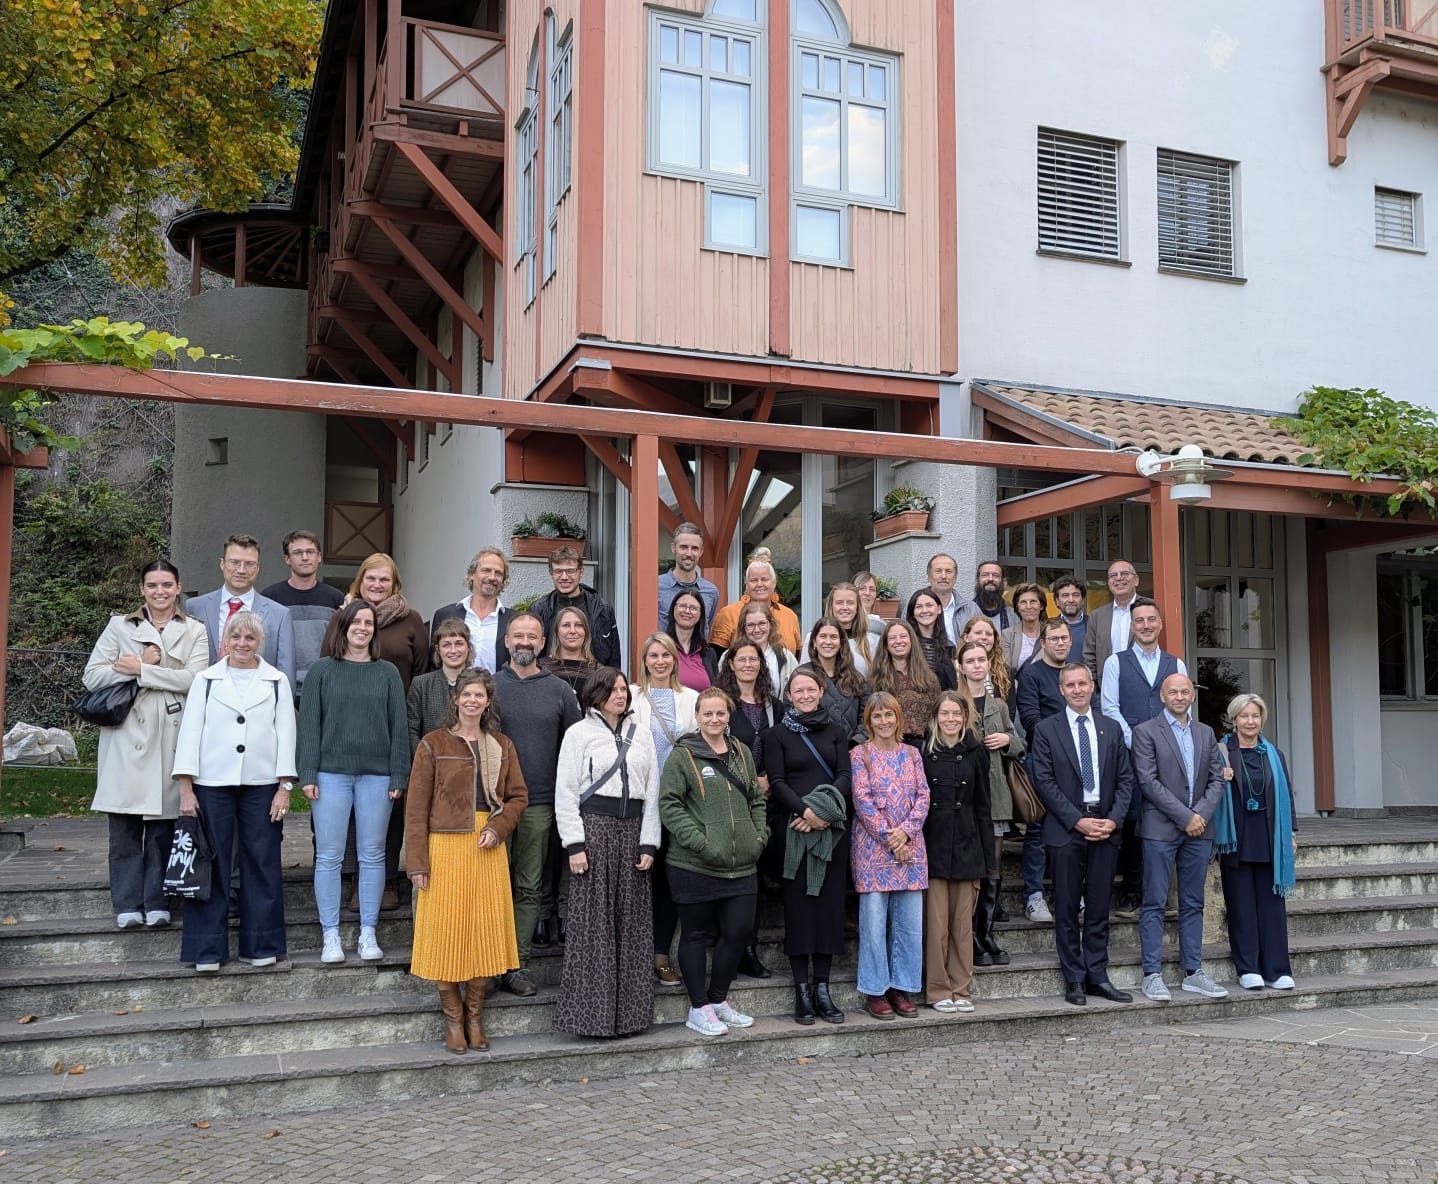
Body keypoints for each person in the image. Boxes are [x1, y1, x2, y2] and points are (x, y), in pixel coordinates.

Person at [405, 669, 528, 1053]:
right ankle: (453, 1019)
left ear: (487, 702)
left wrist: (499, 827)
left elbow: (518, 797)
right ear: (456, 699)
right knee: (446, 931)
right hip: (444, 847)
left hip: (486, 846)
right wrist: (417, 863)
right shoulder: (433, 743)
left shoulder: (501, 745)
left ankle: (475, 1017)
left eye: (479, 695)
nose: (472, 701)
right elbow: (416, 807)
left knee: (482, 931)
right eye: (467, 695)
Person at [84, 561, 210, 929]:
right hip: (126, 735)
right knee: (123, 827)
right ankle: (126, 904)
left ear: (178, 587)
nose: (160, 592)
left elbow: (195, 679)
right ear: (142, 588)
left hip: (171, 734)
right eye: (152, 585)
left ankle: (157, 902)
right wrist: (146, 662)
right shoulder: (118, 626)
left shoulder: (195, 630)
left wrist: (139, 669)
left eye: (167, 585)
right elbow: (92, 676)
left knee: (162, 828)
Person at [172, 611, 296, 971]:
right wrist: (186, 788)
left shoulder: (276, 681)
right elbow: (190, 733)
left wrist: (284, 787)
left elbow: (286, 734)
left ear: (260, 642)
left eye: (250, 638)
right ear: (225, 641)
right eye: (236, 637)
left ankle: (261, 945)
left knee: (262, 861)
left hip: (262, 785)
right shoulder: (206, 680)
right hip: (212, 783)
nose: (242, 644)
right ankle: (206, 949)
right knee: (211, 863)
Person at [298, 599, 411, 965]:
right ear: (343, 627)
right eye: (356, 622)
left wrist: (399, 773)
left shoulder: (387, 673)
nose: (362, 628)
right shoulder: (321, 671)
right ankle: (330, 934)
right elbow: (309, 726)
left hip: (377, 777)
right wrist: (308, 773)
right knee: (329, 856)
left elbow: (399, 728)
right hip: (330, 774)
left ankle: (368, 932)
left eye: (368, 623)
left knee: (373, 855)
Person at [553, 668, 661, 1038]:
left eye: (623, 690)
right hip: (594, 831)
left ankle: (630, 1018)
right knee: (593, 925)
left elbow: (653, 792)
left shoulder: (641, 733)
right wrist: (575, 844)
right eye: (612, 690)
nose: (620, 695)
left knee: (632, 924)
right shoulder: (578, 733)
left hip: (632, 831)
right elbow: (566, 792)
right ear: (596, 693)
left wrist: (649, 842)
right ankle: (591, 1018)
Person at [659, 687, 769, 1036]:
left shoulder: (742, 753)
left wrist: (759, 837)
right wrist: (701, 843)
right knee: (694, 935)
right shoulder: (683, 756)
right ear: (697, 716)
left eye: (720, 713)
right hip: (694, 864)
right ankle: (698, 1008)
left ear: (728, 715)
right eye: (707, 713)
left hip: (742, 864)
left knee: (737, 933)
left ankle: (719, 1000)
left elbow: (756, 800)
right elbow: (669, 805)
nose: (714, 719)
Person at [1028, 663, 1135, 1007]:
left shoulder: (1111, 728)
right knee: (1067, 908)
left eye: (1082, 684)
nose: (1077, 690)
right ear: (1061, 690)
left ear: (1092, 687)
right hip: (1066, 829)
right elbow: (1044, 781)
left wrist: (1113, 820)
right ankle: (1074, 977)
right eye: (1070, 685)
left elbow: (1126, 780)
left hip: (1105, 828)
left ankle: (1097, 975)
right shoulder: (1046, 729)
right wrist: (1077, 820)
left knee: (1100, 906)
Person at [493, 612, 582, 995]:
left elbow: (575, 749)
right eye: (518, 636)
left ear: (543, 643)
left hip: (539, 803)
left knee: (529, 887)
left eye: (532, 636)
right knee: (493, 886)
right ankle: (489, 961)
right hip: (493, 805)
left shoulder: (559, 690)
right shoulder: (490, 686)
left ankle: (517, 964)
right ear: (506, 641)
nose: (525, 642)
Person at [1132, 673, 1229, 1003]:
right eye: (1172, 692)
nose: (1179, 697)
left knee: (1193, 902)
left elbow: (1217, 779)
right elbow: (1148, 782)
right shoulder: (1145, 732)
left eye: (1184, 691)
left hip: (1199, 830)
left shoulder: (1205, 733)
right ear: (1162, 696)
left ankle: (1193, 972)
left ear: (1192, 696)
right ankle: (1152, 974)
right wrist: (1185, 816)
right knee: (1154, 901)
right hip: (1160, 829)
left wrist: (1199, 815)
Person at [342, 551, 429, 909]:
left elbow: (421, 671)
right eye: (371, 578)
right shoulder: (344, 617)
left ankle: (388, 878)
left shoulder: (411, 621)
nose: (377, 585)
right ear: (360, 581)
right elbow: (328, 659)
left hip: (395, 725)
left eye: (384, 580)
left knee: (391, 801)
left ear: (395, 585)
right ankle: (356, 879)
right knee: (350, 802)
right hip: (350, 726)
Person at [765, 667, 851, 1026]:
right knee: (799, 909)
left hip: (832, 830)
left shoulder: (836, 731)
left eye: (810, 689)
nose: (804, 695)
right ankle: (802, 990)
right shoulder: (776, 735)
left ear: (820, 691)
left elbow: (845, 775)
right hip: (794, 827)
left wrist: (823, 814)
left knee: (829, 909)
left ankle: (823, 989)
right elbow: (777, 781)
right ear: (789, 695)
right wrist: (805, 812)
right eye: (797, 691)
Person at [1100, 597, 1188, 916]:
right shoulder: (1115, 663)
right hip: (1129, 754)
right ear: (1132, 626)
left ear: (1160, 624)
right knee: (1133, 820)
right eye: (1139, 621)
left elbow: (1182, 707)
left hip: (1169, 755)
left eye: (1151, 620)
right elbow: (1110, 708)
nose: (1146, 625)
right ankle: (1131, 892)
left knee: (1164, 820)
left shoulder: (1176, 665)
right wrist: (1136, 741)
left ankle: (1160, 894)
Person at [849, 693, 929, 1021]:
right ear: (868, 721)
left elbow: (923, 796)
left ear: (898, 718)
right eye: (877, 716)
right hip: (873, 849)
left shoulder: (912, 754)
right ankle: (876, 989)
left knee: (909, 924)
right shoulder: (860, 754)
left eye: (889, 715)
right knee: (873, 924)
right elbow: (862, 800)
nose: (884, 721)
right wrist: (890, 837)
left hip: (911, 848)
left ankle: (901, 987)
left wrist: (905, 833)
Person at [629, 633, 699, 987]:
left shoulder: (692, 699)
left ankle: (660, 954)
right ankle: (632, 955)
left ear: (675, 659)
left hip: (678, 802)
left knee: (669, 879)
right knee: (637, 878)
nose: (659, 661)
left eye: (665, 655)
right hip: (638, 801)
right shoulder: (630, 696)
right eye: (653, 655)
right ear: (644, 660)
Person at [1215, 693, 1297, 992]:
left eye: (1255, 716)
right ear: (1234, 719)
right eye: (1244, 716)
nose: (1250, 721)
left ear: (1262, 719)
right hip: (1236, 838)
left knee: (1272, 906)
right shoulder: (1221, 752)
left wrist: (1291, 834)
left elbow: (1287, 795)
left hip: (1269, 836)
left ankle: (1277, 969)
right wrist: (1220, 777)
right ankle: (1248, 968)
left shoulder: (1274, 753)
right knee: (1241, 907)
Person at [921, 689, 996, 1012]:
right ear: (936, 718)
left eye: (956, 714)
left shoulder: (977, 752)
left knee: (963, 927)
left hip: (967, 845)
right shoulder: (923, 751)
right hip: (934, 845)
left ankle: (962, 988)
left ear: (965, 717)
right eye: (945, 714)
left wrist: (988, 859)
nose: (950, 719)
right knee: (936, 926)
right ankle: (938, 989)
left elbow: (983, 806)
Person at [715, 638, 783, 980]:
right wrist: (752, 780)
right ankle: (735, 947)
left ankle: (750, 948)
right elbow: (717, 748)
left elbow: (783, 746)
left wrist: (770, 779)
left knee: (757, 874)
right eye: (741, 659)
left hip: (768, 799)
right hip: (733, 797)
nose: (747, 665)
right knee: (739, 873)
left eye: (753, 659)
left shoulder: (774, 706)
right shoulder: (722, 704)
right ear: (731, 664)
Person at [957, 640, 1025, 958]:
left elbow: (1020, 744)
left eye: (981, 659)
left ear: (987, 664)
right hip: (966, 796)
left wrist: (1006, 739)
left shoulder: (999, 704)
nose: (976, 665)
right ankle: (968, 936)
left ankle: (986, 935)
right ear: (961, 666)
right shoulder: (954, 702)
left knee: (993, 866)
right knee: (972, 866)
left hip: (996, 795)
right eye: (970, 660)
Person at [1015, 617, 1073, 924]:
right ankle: (1034, 895)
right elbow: (1030, 720)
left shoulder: (1077, 674)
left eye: (1064, 638)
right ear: (1043, 643)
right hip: (1042, 761)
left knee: (1071, 827)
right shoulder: (1032, 674)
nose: (1060, 643)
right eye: (1054, 639)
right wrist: (1064, 740)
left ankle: (1070, 894)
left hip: (1077, 764)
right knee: (1038, 829)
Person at [186, 533, 296, 689]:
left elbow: (286, 676)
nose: (241, 570)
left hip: (258, 698)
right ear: (222, 564)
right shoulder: (195, 607)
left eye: (250, 564)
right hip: (207, 696)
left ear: (257, 568)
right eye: (234, 562)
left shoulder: (279, 615)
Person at [259, 529, 342, 702]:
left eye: (310, 552)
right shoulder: (269, 598)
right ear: (287, 559)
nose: (305, 557)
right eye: (297, 553)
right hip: (280, 687)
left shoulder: (336, 598)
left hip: (324, 687)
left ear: (319, 557)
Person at [532, 545, 622, 668]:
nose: (564, 577)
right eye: (558, 571)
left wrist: (612, 677)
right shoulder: (539, 609)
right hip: (550, 676)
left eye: (570, 571)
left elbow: (614, 655)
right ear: (551, 573)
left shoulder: (602, 608)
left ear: (581, 572)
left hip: (594, 677)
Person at [869, 620, 952, 746]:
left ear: (911, 641)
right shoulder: (876, 679)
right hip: (888, 745)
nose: (898, 641)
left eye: (903, 636)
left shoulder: (929, 678)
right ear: (886, 644)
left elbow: (937, 715)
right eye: (892, 638)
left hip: (924, 745)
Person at [431, 547, 512, 673]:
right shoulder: (445, 615)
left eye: (498, 573)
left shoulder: (512, 620)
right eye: (486, 570)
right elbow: (434, 663)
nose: (492, 577)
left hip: (498, 686)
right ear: (471, 574)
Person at [709, 554, 802, 653]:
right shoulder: (728, 614)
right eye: (754, 580)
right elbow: (717, 655)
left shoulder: (789, 615)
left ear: (774, 583)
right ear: (746, 584)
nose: (759, 584)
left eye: (765, 579)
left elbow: (797, 654)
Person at [407, 618, 476, 750]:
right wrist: (424, 757)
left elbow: (490, 726)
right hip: (431, 757)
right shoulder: (421, 684)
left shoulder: (480, 683)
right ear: (438, 650)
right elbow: (411, 729)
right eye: (446, 645)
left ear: (468, 647)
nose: (453, 650)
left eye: (459, 644)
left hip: (472, 758)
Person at [802, 617, 869, 744]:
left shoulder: (856, 678)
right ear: (814, 642)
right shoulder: (801, 676)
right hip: (814, 749)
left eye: (833, 637)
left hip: (851, 750)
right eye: (823, 636)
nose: (828, 642)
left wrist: (855, 742)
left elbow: (867, 714)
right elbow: (792, 714)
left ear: (841, 643)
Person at [657, 522, 719, 636]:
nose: (689, 554)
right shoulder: (657, 586)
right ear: (673, 548)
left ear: (701, 551)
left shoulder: (711, 591)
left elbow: (707, 628)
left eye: (694, 548)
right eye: (684, 547)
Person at [1082, 558, 1140, 679]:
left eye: (1124, 573)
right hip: (1107, 685)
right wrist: (1095, 685)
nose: (1119, 578)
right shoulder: (1097, 616)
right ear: (1108, 583)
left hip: (1143, 685)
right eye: (1113, 575)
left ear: (1136, 580)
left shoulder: (1151, 608)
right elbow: (1089, 655)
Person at [733, 599, 798, 692]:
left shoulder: (786, 656)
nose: (757, 630)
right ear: (743, 628)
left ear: (770, 625)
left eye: (762, 624)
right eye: (750, 625)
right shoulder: (731, 655)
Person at [960, 615, 1015, 718]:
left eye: (989, 634)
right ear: (966, 637)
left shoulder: (1006, 672)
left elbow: (1010, 713)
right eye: (978, 633)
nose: (984, 637)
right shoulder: (950, 669)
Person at [664, 588, 718, 692]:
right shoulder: (661, 647)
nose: (687, 611)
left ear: (700, 614)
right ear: (673, 609)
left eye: (693, 608)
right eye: (682, 606)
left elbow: (716, 692)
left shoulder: (708, 653)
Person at [541, 605, 599, 694]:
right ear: (556, 631)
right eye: (566, 625)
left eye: (578, 625)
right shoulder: (540, 668)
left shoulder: (598, 672)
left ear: (586, 632)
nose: (572, 631)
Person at [820, 581, 874, 675]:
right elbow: (804, 675)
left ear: (857, 607)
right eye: (839, 603)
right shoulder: (816, 638)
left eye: (850, 603)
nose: (845, 607)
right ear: (831, 606)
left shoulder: (870, 641)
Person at [905, 587, 957, 683]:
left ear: (939, 609)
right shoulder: (907, 646)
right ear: (912, 613)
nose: (924, 610)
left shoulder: (948, 647)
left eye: (929, 605)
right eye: (918, 607)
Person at [953, 561, 1015, 636]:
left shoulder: (1015, 616)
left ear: (1004, 582)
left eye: (995, 575)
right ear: (977, 581)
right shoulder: (962, 614)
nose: (990, 579)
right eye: (985, 575)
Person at [1001, 582, 1046, 673]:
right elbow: (1006, 670)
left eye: (1033, 602)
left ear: (1041, 606)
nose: (1028, 607)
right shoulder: (1007, 635)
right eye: (1023, 602)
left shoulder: (1050, 633)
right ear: (1017, 607)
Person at [925, 552, 963, 643]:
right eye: (938, 571)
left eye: (948, 571)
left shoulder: (971, 609)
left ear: (955, 577)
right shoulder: (915, 608)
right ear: (929, 577)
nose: (943, 576)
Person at [1051, 574, 1090, 661]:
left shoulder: (1094, 626)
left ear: (1083, 600)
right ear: (1057, 601)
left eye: (1075, 595)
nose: (1071, 600)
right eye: (1065, 595)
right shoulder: (1048, 628)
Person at [851, 570, 888, 638]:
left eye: (872, 589)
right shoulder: (845, 624)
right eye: (862, 588)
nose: (867, 593)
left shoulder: (883, 625)